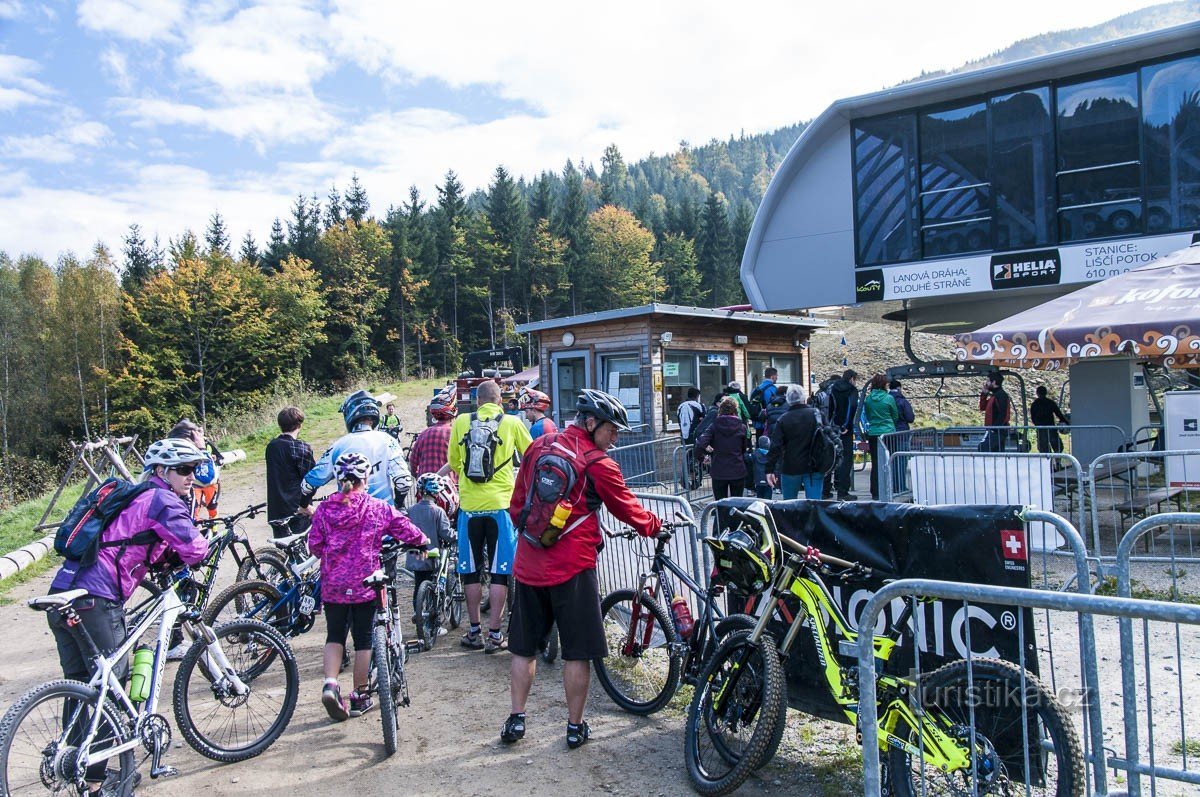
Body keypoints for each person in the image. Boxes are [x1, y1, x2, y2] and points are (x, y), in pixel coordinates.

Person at [46, 438, 209, 792]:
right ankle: (97, 778)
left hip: (63, 591)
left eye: (194, 469)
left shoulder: (133, 494)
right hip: (97, 597)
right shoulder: (164, 500)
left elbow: (133, 542)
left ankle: (71, 760)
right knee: (113, 687)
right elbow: (195, 549)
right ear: (162, 471)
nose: (191, 476)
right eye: (183, 469)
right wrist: (203, 542)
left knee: (81, 686)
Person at [503, 389, 662, 750]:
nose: (616, 437)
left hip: (528, 565)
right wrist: (657, 525)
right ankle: (575, 727)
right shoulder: (598, 464)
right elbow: (629, 511)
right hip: (573, 569)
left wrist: (537, 535)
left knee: (523, 650)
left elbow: (517, 505)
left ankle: (516, 719)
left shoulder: (539, 446)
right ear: (590, 423)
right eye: (611, 429)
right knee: (577, 652)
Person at [309, 452, 428, 722]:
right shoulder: (376, 507)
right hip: (366, 583)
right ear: (366, 477)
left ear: (338, 478)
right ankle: (359, 695)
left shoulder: (326, 508)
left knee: (335, 635)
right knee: (363, 639)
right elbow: (405, 528)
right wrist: (421, 542)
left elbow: (314, 546)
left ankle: (330, 684)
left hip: (334, 584)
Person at [446, 379, 532, 653]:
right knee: (499, 573)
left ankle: (474, 632)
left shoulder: (461, 422)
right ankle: (495, 634)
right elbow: (531, 455)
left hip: (470, 508)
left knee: (470, 572)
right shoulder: (512, 423)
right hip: (501, 506)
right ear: (500, 401)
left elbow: (455, 462)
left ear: (477, 401)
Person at [301, 389, 413, 511]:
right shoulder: (388, 440)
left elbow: (308, 484)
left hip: (348, 517)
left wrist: (305, 505)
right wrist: (398, 504)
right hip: (382, 516)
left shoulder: (338, 446)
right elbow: (404, 481)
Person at [407, 473, 455, 622]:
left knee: (418, 586)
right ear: (437, 493)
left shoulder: (411, 510)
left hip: (415, 555)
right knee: (434, 586)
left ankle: (419, 612)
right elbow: (446, 533)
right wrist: (456, 535)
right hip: (432, 556)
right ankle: (434, 618)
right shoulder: (438, 511)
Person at [266, 406, 317, 538]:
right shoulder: (301, 447)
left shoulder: (271, 446)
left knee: (281, 555)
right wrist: (305, 505)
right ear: (299, 425)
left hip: (276, 510)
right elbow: (311, 479)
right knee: (302, 554)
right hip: (297, 510)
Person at [765, 384, 823, 499]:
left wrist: (769, 469)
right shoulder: (816, 415)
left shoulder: (783, 419)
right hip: (814, 465)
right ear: (804, 398)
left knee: (789, 505)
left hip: (790, 466)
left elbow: (775, 446)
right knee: (814, 506)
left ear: (788, 400)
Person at [697, 396, 749, 500]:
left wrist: (703, 457)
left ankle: (721, 516)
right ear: (735, 410)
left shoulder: (714, 426)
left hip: (719, 470)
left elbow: (701, 443)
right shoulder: (742, 427)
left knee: (720, 503)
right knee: (737, 503)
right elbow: (744, 448)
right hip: (737, 468)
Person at [408, 386, 457, 482]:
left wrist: (419, 477)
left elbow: (412, 464)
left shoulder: (424, 434)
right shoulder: (455, 434)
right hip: (449, 489)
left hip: (425, 490)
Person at [862, 374, 899, 500]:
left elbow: (867, 415)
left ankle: (875, 492)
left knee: (875, 463)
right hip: (887, 433)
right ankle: (888, 489)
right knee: (888, 462)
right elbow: (895, 416)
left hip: (873, 433)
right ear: (884, 384)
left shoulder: (868, 399)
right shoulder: (889, 398)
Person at [829, 370, 860, 500]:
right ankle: (843, 492)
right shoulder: (852, 390)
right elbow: (851, 407)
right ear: (852, 378)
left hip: (833, 427)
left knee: (835, 457)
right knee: (846, 460)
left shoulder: (833, 388)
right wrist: (846, 425)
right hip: (845, 429)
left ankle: (831, 488)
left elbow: (831, 407)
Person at [979, 372, 1012, 452]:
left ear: (994, 382)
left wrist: (995, 428)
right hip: (994, 430)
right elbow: (983, 407)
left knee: (983, 448)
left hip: (997, 430)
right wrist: (984, 394)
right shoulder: (994, 395)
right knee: (996, 453)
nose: (986, 383)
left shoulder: (1001, 395)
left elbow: (1004, 414)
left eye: (988, 381)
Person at [1030, 386, 1069, 454]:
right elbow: (1059, 414)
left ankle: (1049, 462)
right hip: (1050, 427)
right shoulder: (1050, 403)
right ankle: (1057, 461)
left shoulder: (1034, 404)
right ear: (1046, 393)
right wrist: (1066, 422)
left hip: (1041, 428)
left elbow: (1033, 417)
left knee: (1044, 449)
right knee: (1057, 447)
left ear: (1037, 393)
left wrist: (1037, 425)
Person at [749, 367, 779, 436]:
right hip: (768, 423)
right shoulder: (773, 389)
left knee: (759, 443)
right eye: (776, 376)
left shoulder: (755, 389)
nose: (777, 378)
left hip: (757, 421)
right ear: (772, 376)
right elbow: (775, 406)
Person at [752, 434, 773, 499]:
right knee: (768, 498)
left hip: (758, 479)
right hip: (768, 479)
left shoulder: (755, 454)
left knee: (759, 497)